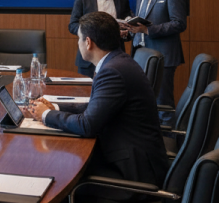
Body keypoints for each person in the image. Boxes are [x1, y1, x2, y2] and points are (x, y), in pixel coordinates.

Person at [32, 11, 169, 190]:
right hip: (129, 156)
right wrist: (55, 106)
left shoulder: (112, 72)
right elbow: (98, 107)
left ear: (88, 42)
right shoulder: (117, 62)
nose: (78, 43)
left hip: (131, 172)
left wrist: (47, 115)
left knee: (59, 174)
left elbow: (87, 125)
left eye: (79, 39)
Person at [126, 0, 187, 114]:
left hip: (163, 57)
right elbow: (141, 20)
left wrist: (148, 30)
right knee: (142, 102)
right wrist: (130, 29)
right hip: (139, 55)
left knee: (162, 104)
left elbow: (179, 23)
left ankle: (168, 139)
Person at [68, 0, 132, 77]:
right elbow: (72, 25)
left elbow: (128, 25)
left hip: (115, 58)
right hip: (89, 59)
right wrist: (93, 31)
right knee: (85, 94)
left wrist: (126, 32)